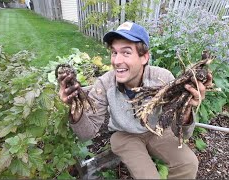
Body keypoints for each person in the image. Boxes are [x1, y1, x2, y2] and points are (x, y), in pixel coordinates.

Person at [58, 21, 213, 179]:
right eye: (114, 52)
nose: (117, 61)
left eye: (126, 53)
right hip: (125, 135)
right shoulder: (105, 84)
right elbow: (87, 133)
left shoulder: (163, 78)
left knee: (188, 163)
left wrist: (186, 108)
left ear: (144, 57)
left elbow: (183, 134)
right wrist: (75, 109)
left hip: (156, 131)